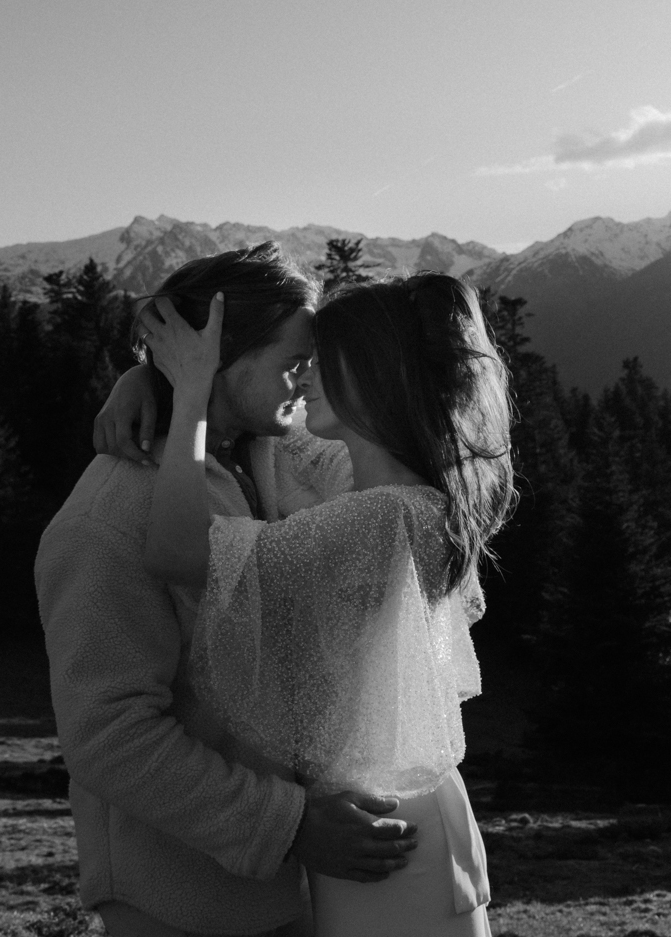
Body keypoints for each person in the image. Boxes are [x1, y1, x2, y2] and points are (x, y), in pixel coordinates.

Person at [36, 244, 419, 937]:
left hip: (290, 894)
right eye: (293, 361)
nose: (307, 381)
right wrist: (290, 823)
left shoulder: (275, 458)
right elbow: (106, 733)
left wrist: (151, 380)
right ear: (217, 358)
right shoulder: (108, 518)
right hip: (177, 904)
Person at [135, 272, 514, 936]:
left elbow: (173, 548)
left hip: (387, 844)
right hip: (394, 825)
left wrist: (190, 391)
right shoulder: (392, 487)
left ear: (371, 377)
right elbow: (275, 431)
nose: (304, 374)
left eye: (322, 361)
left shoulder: (381, 519)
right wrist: (149, 382)